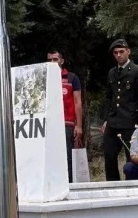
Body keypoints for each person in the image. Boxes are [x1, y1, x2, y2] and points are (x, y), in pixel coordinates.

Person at [101, 39, 138, 181]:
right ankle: (112, 185)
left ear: (128, 51)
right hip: (113, 121)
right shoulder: (112, 72)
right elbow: (109, 98)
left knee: (132, 157)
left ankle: (132, 185)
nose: (119, 55)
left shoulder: (137, 70)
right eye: (116, 53)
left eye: (121, 52)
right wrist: (105, 119)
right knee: (109, 156)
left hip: (130, 121)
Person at [46, 50, 83, 183]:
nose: (52, 62)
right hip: (49, 125)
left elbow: (78, 102)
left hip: (67, 124)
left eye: (55, 59)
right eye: (49, 60)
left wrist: (79, 125)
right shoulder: (44, 77)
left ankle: (69, 186)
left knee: (67, 157)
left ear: (61, 61)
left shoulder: (72, 78)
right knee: (50, 157)